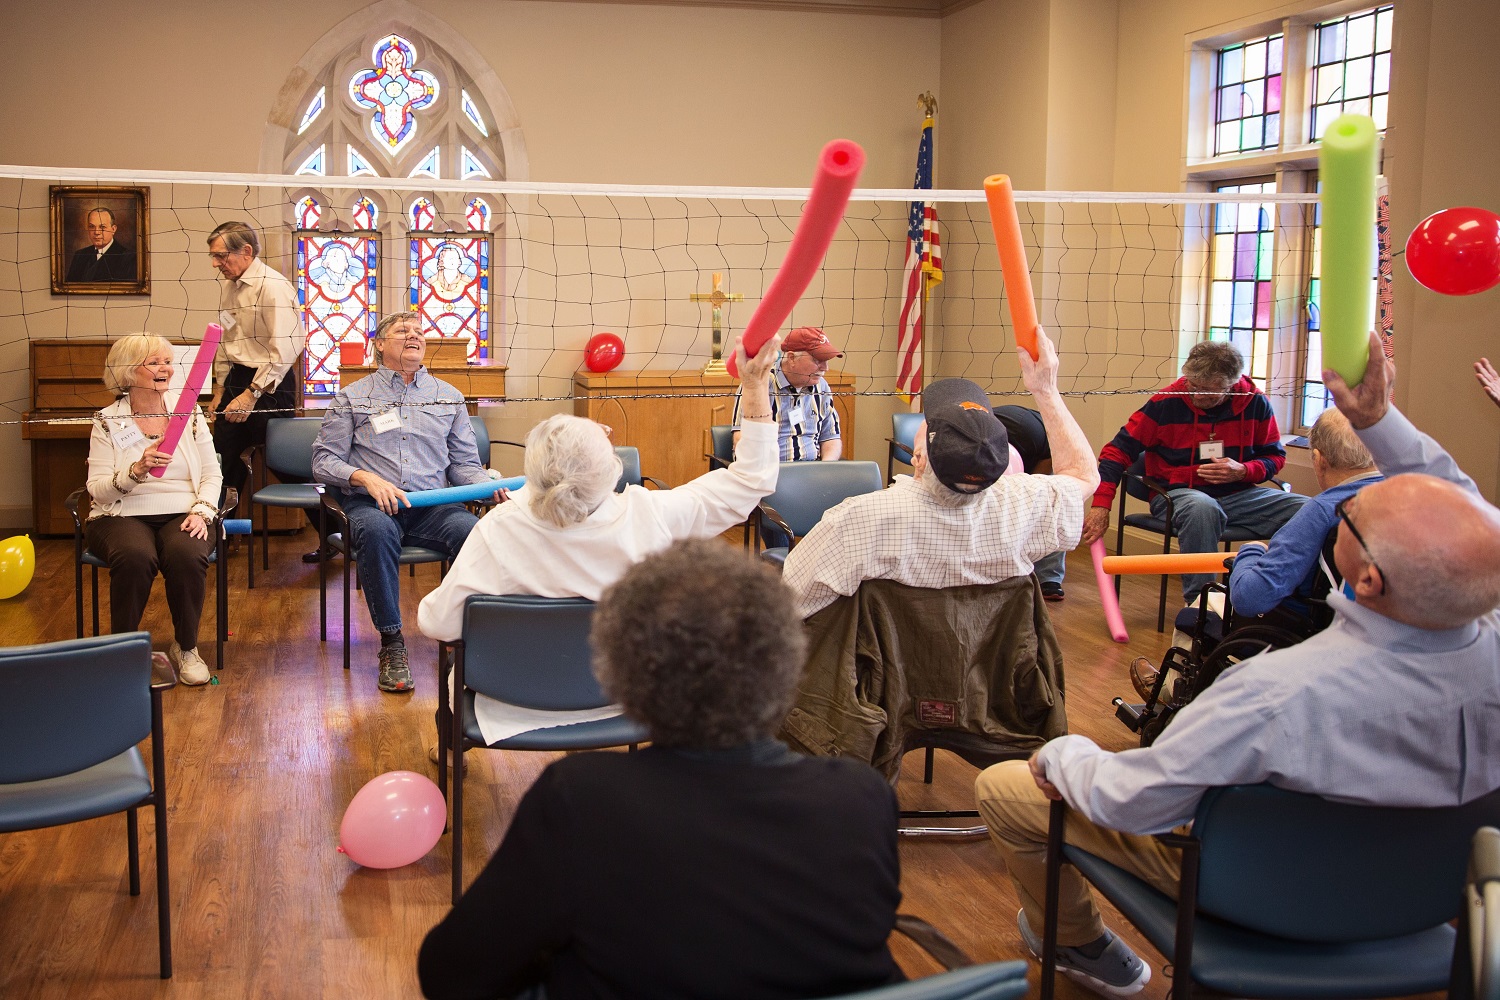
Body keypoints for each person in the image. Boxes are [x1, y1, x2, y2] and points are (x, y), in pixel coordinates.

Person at [975, 331, 1500, 998]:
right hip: (1427, 894)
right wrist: (1380, 422)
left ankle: (1079, 944)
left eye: (1355, 514)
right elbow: (1463, 503)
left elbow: (1135, 798)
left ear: (1367, 578)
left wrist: (1064, 757)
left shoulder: (1274, 693)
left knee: (1007, 786)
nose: (1340, 508)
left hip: (1271, 895)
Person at [417, 539, 903, 1000]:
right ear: (786, 663)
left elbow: (450, 973)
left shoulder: (584, 802)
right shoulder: (863, 798)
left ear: (620, 671)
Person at [417, 336, 783, 743]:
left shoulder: (501, 527)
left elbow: (440, 623)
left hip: (511, 702)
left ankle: (451, 750)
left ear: (532, 472)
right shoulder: (653, 516)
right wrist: (754, 388)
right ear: (611, 471)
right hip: (625, 695)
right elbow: (753, 478)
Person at [781, 327, 1097, 622]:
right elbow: (1084, 475)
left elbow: (791, 605)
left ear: (918, 459)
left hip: (887, 676)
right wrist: (1046, 391)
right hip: (991, 677)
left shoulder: (856, 520)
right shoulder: (1023, 505)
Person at [312, 313, 493, 694]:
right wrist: (363, 477)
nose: (413, 336)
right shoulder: (351, 397)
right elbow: (323, 461)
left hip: (434, 506)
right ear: (378, 344)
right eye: (402, 331)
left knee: (475, 532)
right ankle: (392, 644)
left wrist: (488, 487)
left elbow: (464, 467)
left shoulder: (449, 396)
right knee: (376, 533)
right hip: (373, 505)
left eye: (419, 332)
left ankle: (462, 641)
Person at [1079, 340, 1307, 606]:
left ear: (1231, 386)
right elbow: (1116, 452)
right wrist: (1101, 506)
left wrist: (1244, 471)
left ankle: (1285, 599)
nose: (1196, 395)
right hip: (1176, 496)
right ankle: (1202, 609)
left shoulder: (1255, 402)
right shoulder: (1165, 403)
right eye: (1192, 385)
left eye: (1208, 391)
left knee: (1309, 510)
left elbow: (1275, 457)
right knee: (1203, 508)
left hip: (1240, 495)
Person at [85, 335, 221, 686]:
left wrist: (203, 511)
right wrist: (136, 470)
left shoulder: (188, 412)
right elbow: (97, 489)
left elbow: (211, 473)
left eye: (167, 361)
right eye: (154, 362)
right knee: (134, 556)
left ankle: (186, 648)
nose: (165, 369)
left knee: (187, 553)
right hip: (120, 512)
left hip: (183, 508)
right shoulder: (107, 420)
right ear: (128, 372)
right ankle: (123, 652)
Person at [206, 221, 319, 560]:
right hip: (238, 381)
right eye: (212, 257)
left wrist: (251, 393)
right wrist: (220, 390)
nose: (215, 264)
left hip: (270, 384)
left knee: (287, 463)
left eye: (220, 256)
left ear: (247, 252)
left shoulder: (273, 287)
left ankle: (334, 533)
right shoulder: (230, 286)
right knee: (223, 462)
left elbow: (285, 350)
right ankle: (218, 538)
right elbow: (227, 341)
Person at [731, 325, 842, 462]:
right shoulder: (758, 383)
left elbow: (831, 437)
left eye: (826, 361)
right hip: (770, 471)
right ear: (791, 358)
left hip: (812, 472)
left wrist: (825, 470)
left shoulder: (822, 385)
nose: (825, 368)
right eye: (818, 360)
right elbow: (740, 439)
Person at [996, 404, 1068, 601]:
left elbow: (1037, 485)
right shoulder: (974, 445)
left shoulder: (1038, 440)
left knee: (1049, 503)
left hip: (1043, 444)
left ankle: (1049, 577)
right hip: (1003, 440)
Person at [66, 207, 137, 283]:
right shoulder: (79, 255)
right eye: (92, 226)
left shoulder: (129, 258)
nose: (96, 232)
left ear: (113, 229)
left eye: (102, 227)